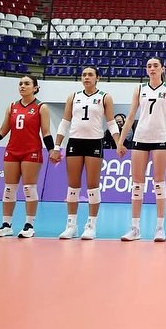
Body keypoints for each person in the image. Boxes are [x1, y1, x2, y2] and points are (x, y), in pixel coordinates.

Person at [117, 58, 166, 242]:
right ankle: (135, 228)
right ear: (146, 70)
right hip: (140, 138)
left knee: (159, 183)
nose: (152, 68)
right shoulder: (140, 89)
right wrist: (120, 141)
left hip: (160, 138)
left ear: (162, 68)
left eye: (156, 66)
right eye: (149, 66)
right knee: (137, 184)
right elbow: (130, 116)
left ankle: (160, 228)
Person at [0, 76, 53, 238]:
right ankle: (6, 225)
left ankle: (29, 225)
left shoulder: (41, 107)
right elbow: (2, 131)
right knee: (9, 188)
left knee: (29, 188)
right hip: (12, 151)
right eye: (20, 84)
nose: (22, 86)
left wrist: (51, 150)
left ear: (35, 88)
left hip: (31, 151)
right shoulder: (12, 106)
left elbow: (46, 132)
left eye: (27, 84)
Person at [54, 67, 119, 240]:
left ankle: (91, 225)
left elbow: (111, 122)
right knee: (73, 186)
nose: (86, 77)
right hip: (75, 142)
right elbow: (65, 122)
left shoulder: (105, 97)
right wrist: (56, 146)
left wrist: (118, 142)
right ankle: (71, 225)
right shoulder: (73, 96)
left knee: (92, 185)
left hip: (94, 142)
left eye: (90, 75)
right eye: (84, 75)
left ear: (98, 78)